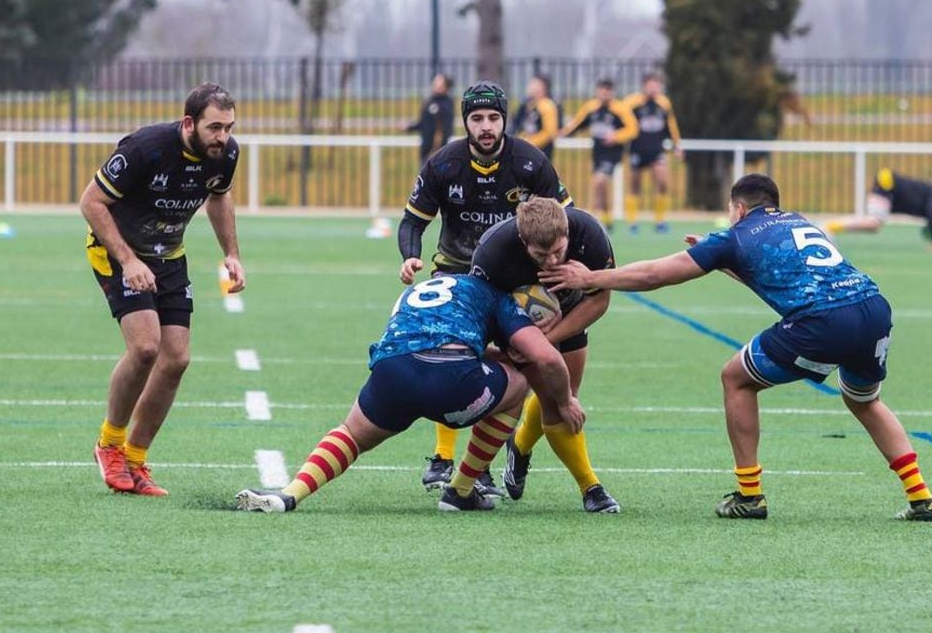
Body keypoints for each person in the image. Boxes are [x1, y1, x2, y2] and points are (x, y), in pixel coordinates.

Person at [541, 174, 932, 522]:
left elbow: (655, 274)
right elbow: (780, 274)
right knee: (865, 401)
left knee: (736, 378)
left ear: (737, 208)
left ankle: (749, 495)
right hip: (873, 308)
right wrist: (725, 261)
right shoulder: (800, 222)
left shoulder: (734, 236)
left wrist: (592, 276)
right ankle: (921, 497)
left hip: (823, 321)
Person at [235, 274, 584, 514]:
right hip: (452, 381)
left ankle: (290, 494)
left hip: (393, 370)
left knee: (352, 434)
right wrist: (564, 400)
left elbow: (423, 333)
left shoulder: (432, 287)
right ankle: (461, 491)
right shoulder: (500, 298)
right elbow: (545, 358)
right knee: (519, 383)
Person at [398, 80, 574, 494]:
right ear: (466, 123)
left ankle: (480, 466)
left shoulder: (531, 162)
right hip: (456, 274)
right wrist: (409, 254)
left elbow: (568, 218)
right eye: (477, 118)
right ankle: (442, 460)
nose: (485, 126)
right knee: (452, 360)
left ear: (504, 120)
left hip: (516, 281)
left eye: (493, 117)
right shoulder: (443, 164)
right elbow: (413, 220)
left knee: (513, 369)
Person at [80, 82, 245, 497]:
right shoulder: (145, 148)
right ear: (189, 122)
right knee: (146, 347)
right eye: (214, 128)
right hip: (117, 250)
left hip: (169, 255)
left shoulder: (226, 155)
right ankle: (110, 445)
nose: (222, 137)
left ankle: (136, 459)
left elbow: (219, 198)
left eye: (227, 127)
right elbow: (91, 202)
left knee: (176, 359)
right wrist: (129, 261)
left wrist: (232, 254)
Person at [474, 197, 621, 513]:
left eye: (558, 251)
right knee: (556, 402)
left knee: (567, 396)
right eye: (542, 255)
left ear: (567, 230)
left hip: (570, 312)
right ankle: (590, 488)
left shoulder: (590, 233)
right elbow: (481, 312)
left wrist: (548, 338)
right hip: (512, 325)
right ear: (523, 241)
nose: (552, 262)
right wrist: (523, 342)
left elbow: (599, 301)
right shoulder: (493, 252)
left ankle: (520, 445)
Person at [557, 78, 639, 231]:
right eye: (602, 90)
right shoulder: (591, 108)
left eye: (608, 90)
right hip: (598, 153)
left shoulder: (620, 109)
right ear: (597, 91)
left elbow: (633, 129)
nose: (605, 93)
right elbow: (577, 124)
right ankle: (608, 220)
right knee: (601, 187)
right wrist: (562, 133)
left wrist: (616, 136)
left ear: (612, 92)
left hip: (613, 153)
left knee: (598, 182)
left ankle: (590, 222)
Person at [622, 72, 683, 234]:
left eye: (656, 85)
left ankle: (660, 221)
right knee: (635, 186)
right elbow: (622, 122)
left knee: (662, 182)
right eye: (650, 85)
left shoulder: (663, 103)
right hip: (637, 150)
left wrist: (677, 145)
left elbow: (671, 125)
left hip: (656, 150)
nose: (653, 88)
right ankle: (633, 222)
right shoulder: (632, 103)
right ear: (644, 86)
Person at [510, 73, 562, 160]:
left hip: (541, 153)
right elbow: (518, 124)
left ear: (543, 88)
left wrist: (529, 143)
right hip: (524, 152)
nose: (531, 87)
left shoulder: (547, 105)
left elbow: (549, 133)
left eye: (535, 84)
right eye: (531, 84)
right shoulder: (526, 104)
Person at [406, 73, 455, 163]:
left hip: (436, 152)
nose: (435, 84)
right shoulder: (430, 101)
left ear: (445, 86)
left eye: (439, 83)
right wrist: (409, 127)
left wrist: (437, 150)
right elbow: (423, 123)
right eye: (435, 82)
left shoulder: (446, 104)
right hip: (425, 149)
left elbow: (446, 130)